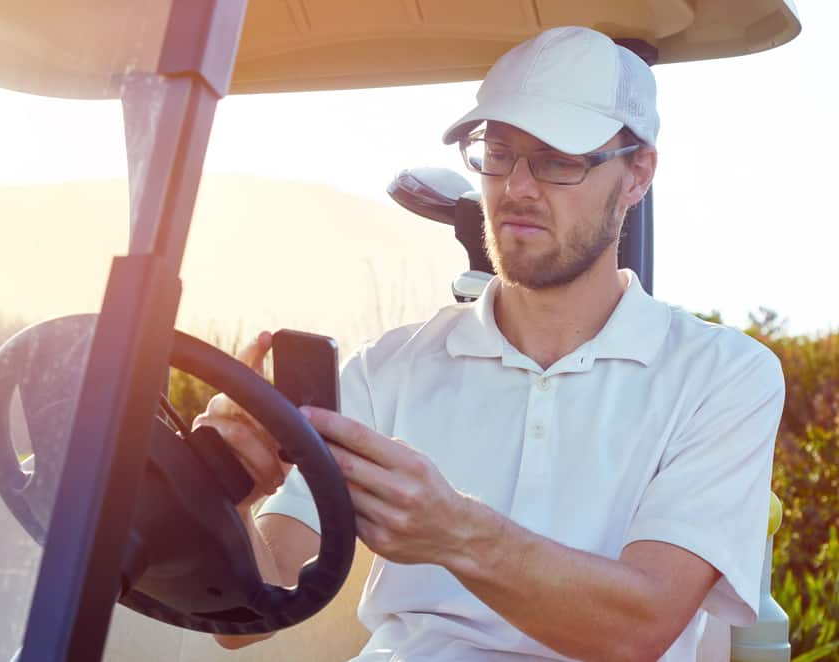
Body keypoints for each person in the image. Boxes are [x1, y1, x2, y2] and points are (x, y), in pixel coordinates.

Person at [193, 26, 785, 662]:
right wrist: (223, 492)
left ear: (638, 174)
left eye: (558, 160)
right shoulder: (388, 367)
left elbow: (638, 629)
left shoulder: (725, 376)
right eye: (497, 154)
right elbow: (243, 620)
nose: (518, 188)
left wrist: (454, 532)